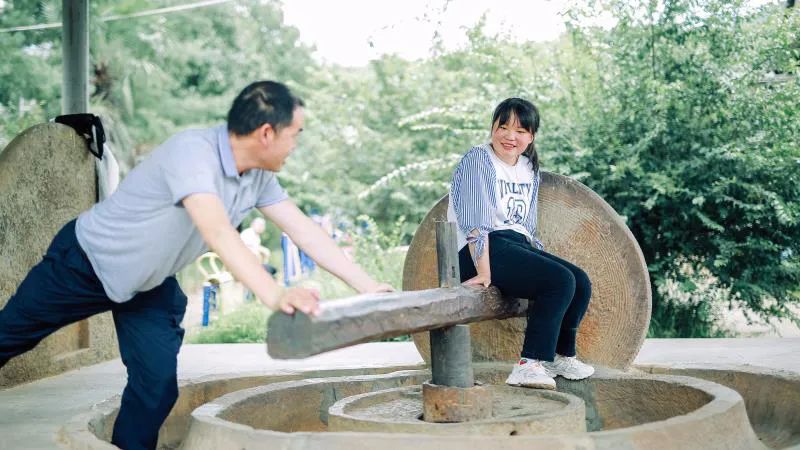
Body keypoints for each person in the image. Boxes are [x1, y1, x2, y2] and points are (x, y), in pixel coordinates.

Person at [0, 81, 392, 450]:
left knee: (156, 388)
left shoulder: (258, 177)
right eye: (295, 134)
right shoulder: (193, 152)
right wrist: (275, 295)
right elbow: (217, 230)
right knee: (7, 337)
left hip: (147, 285)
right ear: (267, 133)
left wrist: (369, 286)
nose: (296, 145)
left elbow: (304, 230)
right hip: (85, 263)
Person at [448, 97, 594, 390]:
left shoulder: (528, 167)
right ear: (492, 128)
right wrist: (484, 271)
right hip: (478, 251)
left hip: (512, 246)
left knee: (579, 280)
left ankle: (560, 356)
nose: (510, 136)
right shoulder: (478, 160)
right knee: (558, 281)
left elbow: (525, 225)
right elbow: (475, 221)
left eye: (520, 130)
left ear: (531, 136)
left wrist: (535, 259)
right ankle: (528, 365)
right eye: (503, 127)